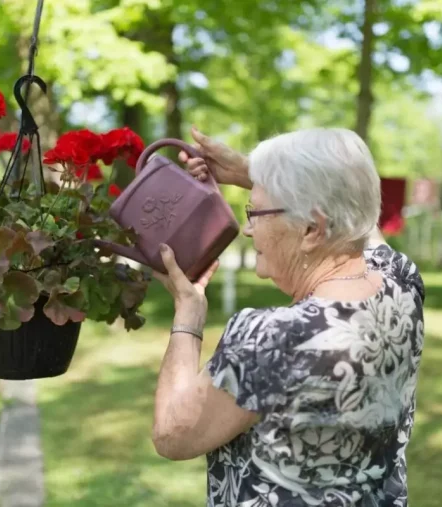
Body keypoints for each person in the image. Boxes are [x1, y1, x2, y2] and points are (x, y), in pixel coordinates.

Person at [151, 126, 425, 507]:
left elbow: (171, 434)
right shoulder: (402, 285)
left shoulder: (271, 339)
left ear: (312, 228)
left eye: (256, 212)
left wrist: (188, 312)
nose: (248, 229)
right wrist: (254, 173)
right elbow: (356, 208)